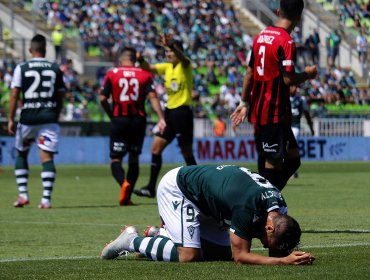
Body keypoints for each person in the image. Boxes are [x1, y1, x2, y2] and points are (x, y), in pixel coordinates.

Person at [101, 164, 315, 265]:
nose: (267, 247)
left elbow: (258, 249)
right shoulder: (248, 208)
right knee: (189, 256)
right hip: (180, 189)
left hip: (209, 202)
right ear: (269, 227)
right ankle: (131, 240)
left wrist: (288, 254)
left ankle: (164, 237)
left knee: (219, 254)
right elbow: (241, 258)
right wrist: (283, 261)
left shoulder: (278, 208)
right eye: (270, 243)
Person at [231, 0, 318, 191]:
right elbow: (288, 80)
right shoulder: (286, 41)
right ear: (299, 16)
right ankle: (263, 206)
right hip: (273, 113)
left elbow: (249, 73)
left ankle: (266, 201)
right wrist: (308, 74)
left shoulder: (261, 36)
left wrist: (244, 101)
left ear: (278, 11)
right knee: (272, 163)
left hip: (262, 111)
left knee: (292, 160)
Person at [99, 47, 166, 205]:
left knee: (115, 159)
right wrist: (161, 117)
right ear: (134, 60)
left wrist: (111, 114)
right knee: (134, 158)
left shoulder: (112, 74)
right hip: (138, 121)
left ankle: (124, 184)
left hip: (119, 119)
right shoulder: (144, 74)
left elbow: (102, 98)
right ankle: (127, 197)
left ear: (121, 60)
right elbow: (153, 97)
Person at [133, 34, 197, 198]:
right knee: (155, 148)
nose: (168, 54)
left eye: (171, 52)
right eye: (167, 51)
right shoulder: (167, 67)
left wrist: (174, 46)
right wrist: (140, 60)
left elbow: (184, 59)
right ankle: (150, 187)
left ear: (178, 52)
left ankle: (198, 188)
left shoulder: (185, 65)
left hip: (183, 113)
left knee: (187, 153)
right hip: (170, 113)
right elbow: (149, 68)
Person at [7, 34, 66, 209]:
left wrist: (10, 118)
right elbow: (61, 94)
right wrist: (56, 111)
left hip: (28, 119)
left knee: (21, 153)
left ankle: (23, 195)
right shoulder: (55, 68)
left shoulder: (22, 68)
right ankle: (46, 200)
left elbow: (14, 93)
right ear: (45, 50)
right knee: (46, 157)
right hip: (49, 118)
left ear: (30, 50)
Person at [290, 86, 314, 178]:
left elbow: (307, 114)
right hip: (284, 127)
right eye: (292, 86)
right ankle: (291, 170)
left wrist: (311, 127)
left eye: (295, 87)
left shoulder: (301, 99)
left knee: (291, 145)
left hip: (295, 126)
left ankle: (292, 170)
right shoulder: (283, 98)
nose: (294, 89)